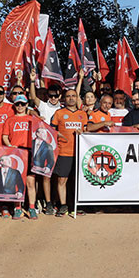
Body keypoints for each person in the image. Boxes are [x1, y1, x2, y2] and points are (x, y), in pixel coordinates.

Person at [50, 89, 88, 217]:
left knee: (76, 181)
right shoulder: (59, 113)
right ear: (64, 99)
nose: (71, 98)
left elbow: (88, 132)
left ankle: (75, 205)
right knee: (62, 180)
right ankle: (63, 205)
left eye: (73, 96)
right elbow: (51, 131)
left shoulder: (83, 114)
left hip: (80, 153)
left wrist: (83, 133)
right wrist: (58, 134)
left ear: (77, 98)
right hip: (63, 152)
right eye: (68, 96)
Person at [2, 94, 38, 219]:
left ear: (27, 104)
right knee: (17, 182)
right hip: (16, 153)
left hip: (29, 152)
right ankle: (17, 207)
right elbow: (5, 136)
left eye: (23, 104)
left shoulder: (32, 119)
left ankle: (32, 207)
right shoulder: (10, 120)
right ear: (15, 105)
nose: (20, 106)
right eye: (18, 104)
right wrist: (11, 146)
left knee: (30, 182)